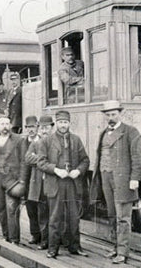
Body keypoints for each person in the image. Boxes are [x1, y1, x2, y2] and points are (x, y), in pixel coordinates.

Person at [90, 100, 141, 264]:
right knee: (112, 215)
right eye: (108, 115)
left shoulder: (130, 132)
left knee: (123, 217)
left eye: (114, 114)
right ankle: (115, 247)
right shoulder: (103, 133)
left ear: (120, 114)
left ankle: (123, 252)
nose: (111, 117)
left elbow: (138, 158)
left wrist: (135, 178)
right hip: (106, 177)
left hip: (123, 179)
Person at [37, 110, 90, 259]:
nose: (63, 125)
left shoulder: (76, 140)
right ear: (56, 124)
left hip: (72, 184)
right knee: (55, 217)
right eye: (60, 122)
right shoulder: (46, 141)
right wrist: (55, 170)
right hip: (55, 183)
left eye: (65, 122)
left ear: (69, 123)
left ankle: (75, 246)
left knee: (74, 216)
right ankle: (53, 248)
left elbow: (85, 160)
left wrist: (78, 171)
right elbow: (41, 162)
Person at [0, 115, 27, 244]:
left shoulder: (18, 140)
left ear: (10, 126)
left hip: (12, 178)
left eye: (7, 124)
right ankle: (6, 236)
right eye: (2, 124)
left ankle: (14, 239)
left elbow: (24, 161)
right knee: (0, 209)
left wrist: (22, 180)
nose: (5, 127)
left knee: (12, 208)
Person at [25, 115, 54, 250]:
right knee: (42, 213)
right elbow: (28, 159)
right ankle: (44, 240)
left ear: (52, 128)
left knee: (55, 212)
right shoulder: (35, 144)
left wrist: (40, 160)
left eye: (47, 127)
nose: (44, 131)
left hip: (54, 182)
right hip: (40, 183)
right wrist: (44, 160)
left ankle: (55, 240)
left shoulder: (56, 143)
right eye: (42, 128)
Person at [20, 116, 42, 245]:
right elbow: (22, 160)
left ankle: (44, 234)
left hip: (39, 179)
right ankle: (35, 234)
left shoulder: (43, 141)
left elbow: (44, 159)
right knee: (30, 208)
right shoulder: (22, 143)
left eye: (33, 127)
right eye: (28, 127)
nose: (30, 130)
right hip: (26, 179)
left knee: (42, 208)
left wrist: (34, 158)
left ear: (37, 127)